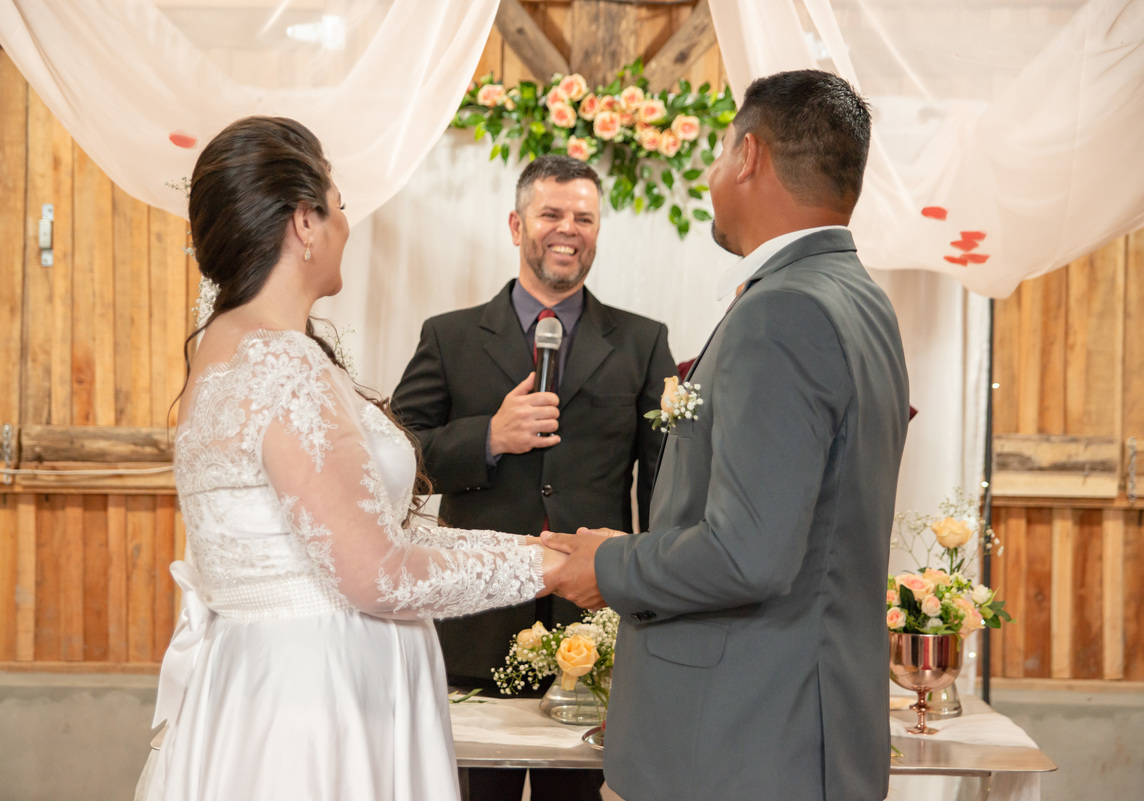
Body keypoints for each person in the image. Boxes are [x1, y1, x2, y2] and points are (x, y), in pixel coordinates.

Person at [146, 116, 563, 801]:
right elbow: (379, 572)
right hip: (319, 696)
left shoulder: (222, 347)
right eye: (338, 208)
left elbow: (349, 534)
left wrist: (521, 546)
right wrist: (545, 565)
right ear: (303, 224)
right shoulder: (280, 360)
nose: (346, 225)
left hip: (255, 678)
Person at [543, 70, 911, 801]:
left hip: (739, 746)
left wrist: (610, 563)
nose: (712, 174)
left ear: (749, 156)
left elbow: (749, 552)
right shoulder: (862, 300)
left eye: (717, 152)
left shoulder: (785, 312)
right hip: (803, 728)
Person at [391, 155, 676, 801]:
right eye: (551, 213)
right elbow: (394, 457)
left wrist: (657, 591)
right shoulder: (449, 336)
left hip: (590, 622)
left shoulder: (641, 341)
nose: (567, 229)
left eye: (584, 217)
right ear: (517, 224)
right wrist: (486, 437)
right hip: (476, 620)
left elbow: (662, 482)